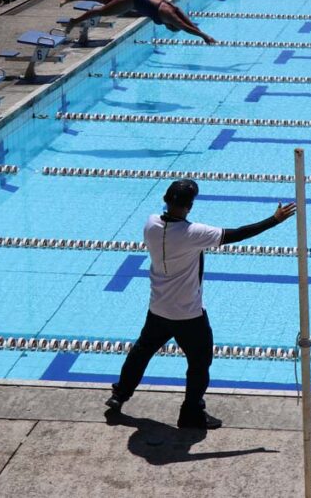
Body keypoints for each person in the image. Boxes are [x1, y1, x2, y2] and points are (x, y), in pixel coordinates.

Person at [105, 180, 296, 429]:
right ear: (190, 206)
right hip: (188, 314)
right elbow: (237, 234)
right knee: (199, 363)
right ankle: (191, 413)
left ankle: (120, 394)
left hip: (158, 309)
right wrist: (274, 220)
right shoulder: (193, 234)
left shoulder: (151, 223)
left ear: (166, 199)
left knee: (141, 352)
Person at [61, 0, 216, 42]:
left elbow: (185, 19)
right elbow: (183, 26)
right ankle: (73, 22)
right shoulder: (168, 16)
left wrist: (201, 31)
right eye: (171, 28)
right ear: (170, 25)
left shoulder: (173, 8)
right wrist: (203, 36)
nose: (169, 28)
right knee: (102, 11)